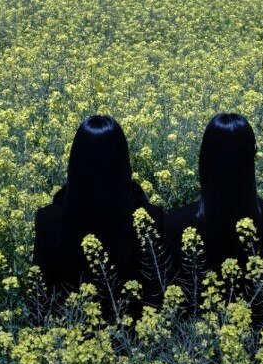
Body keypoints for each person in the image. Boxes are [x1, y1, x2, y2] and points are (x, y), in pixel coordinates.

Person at [163, 113, 263, 321]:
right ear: (253, 157)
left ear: (203, 159)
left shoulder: (174, 224)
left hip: (196, 348)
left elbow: (175, 310)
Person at [32, 115, 166, 320]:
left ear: (75, 161)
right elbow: (156, 296)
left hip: (66, 341)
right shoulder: (151, 219)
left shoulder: (47, 220)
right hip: (133, 344)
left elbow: (40, 298)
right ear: (123, 160)